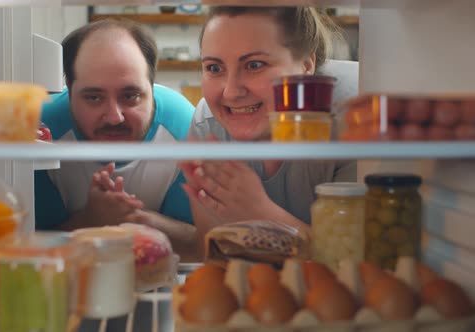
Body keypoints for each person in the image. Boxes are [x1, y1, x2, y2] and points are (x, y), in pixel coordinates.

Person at [179, 6, 357, 254]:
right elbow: (215, 252)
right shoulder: (207, 124)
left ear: (306, 66)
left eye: (254, 65)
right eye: (214, 68)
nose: (231, 92)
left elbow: (360, 260)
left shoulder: (356, 117)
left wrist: (260, 212)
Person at [34, 19, 197, 259]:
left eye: (130, 96)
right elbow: (31, 244)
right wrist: (91, 219)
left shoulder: (186, 128)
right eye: (93, 98)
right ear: (68, 89)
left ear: (152, 87)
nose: (114, 117)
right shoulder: (41, 132)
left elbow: (201, 247)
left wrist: (133, 219)